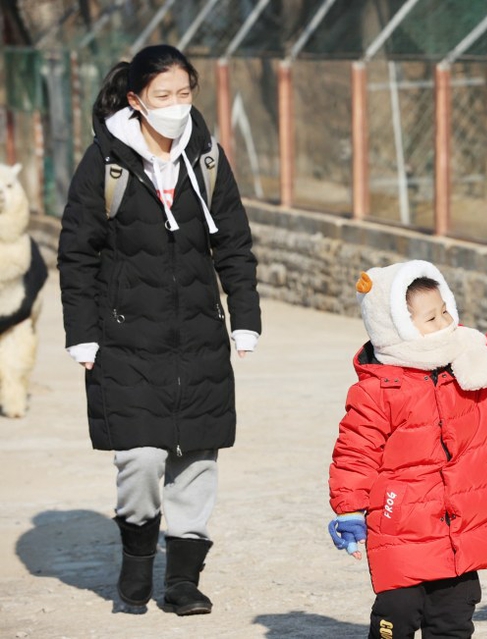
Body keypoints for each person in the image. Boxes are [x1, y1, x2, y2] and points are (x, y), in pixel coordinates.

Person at [57, 44, 261, 615]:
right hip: (125, 339)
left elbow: (235, 245)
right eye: (163, 96)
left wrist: (245, 317)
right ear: (136, 99)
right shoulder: (106, 163)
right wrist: (82, 332)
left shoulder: (207, 157)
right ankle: (137, 564)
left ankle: (184, 582)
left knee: (196, 458)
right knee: (142, 458)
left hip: (199, 337)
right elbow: (77, 254)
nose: (176, 106)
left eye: (185, 94)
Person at [328, 260, 487, 639]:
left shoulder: (469, 361)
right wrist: (350, 510)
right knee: (397, 612)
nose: (444, 323)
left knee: (453, 617)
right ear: (395, 328)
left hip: (461, 527)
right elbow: (355, 453)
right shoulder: (377, 391)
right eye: (430, 319)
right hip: (402, 527)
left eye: (445, 311)